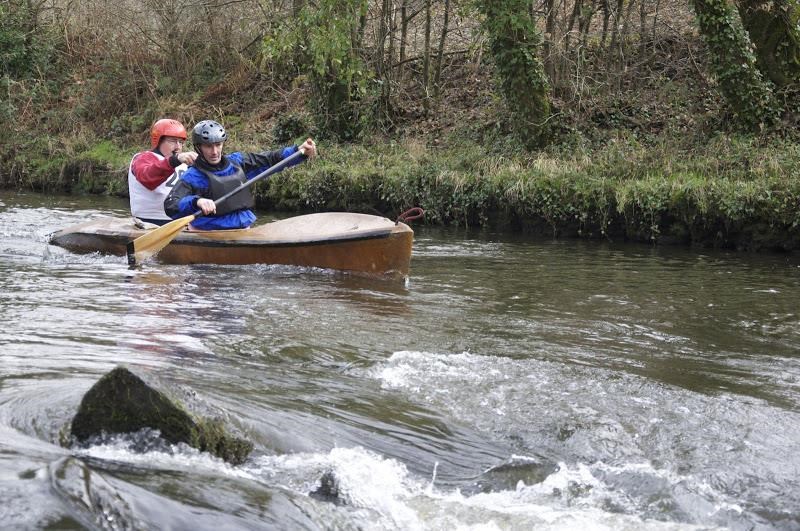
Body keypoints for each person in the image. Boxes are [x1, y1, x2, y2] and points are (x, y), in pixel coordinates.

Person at [164, 120, 316, 231]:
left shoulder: (237, 162)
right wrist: (197, 201)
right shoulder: (193, 176)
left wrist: (299, 151)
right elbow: (171, 205)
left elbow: (270, 159)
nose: (215, 151)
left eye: (218, 145)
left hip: (244, 229)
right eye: (209, 146)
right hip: (209, 234)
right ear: (199, 148)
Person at [128, 118, 198, 225]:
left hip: (181, 221)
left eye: (180, 142)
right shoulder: (142, 158)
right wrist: (174, 161)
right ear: (158, 141)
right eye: (173, 141)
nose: (178, 147)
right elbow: (147, 177)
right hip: (149, 221)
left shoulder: (183, 163)